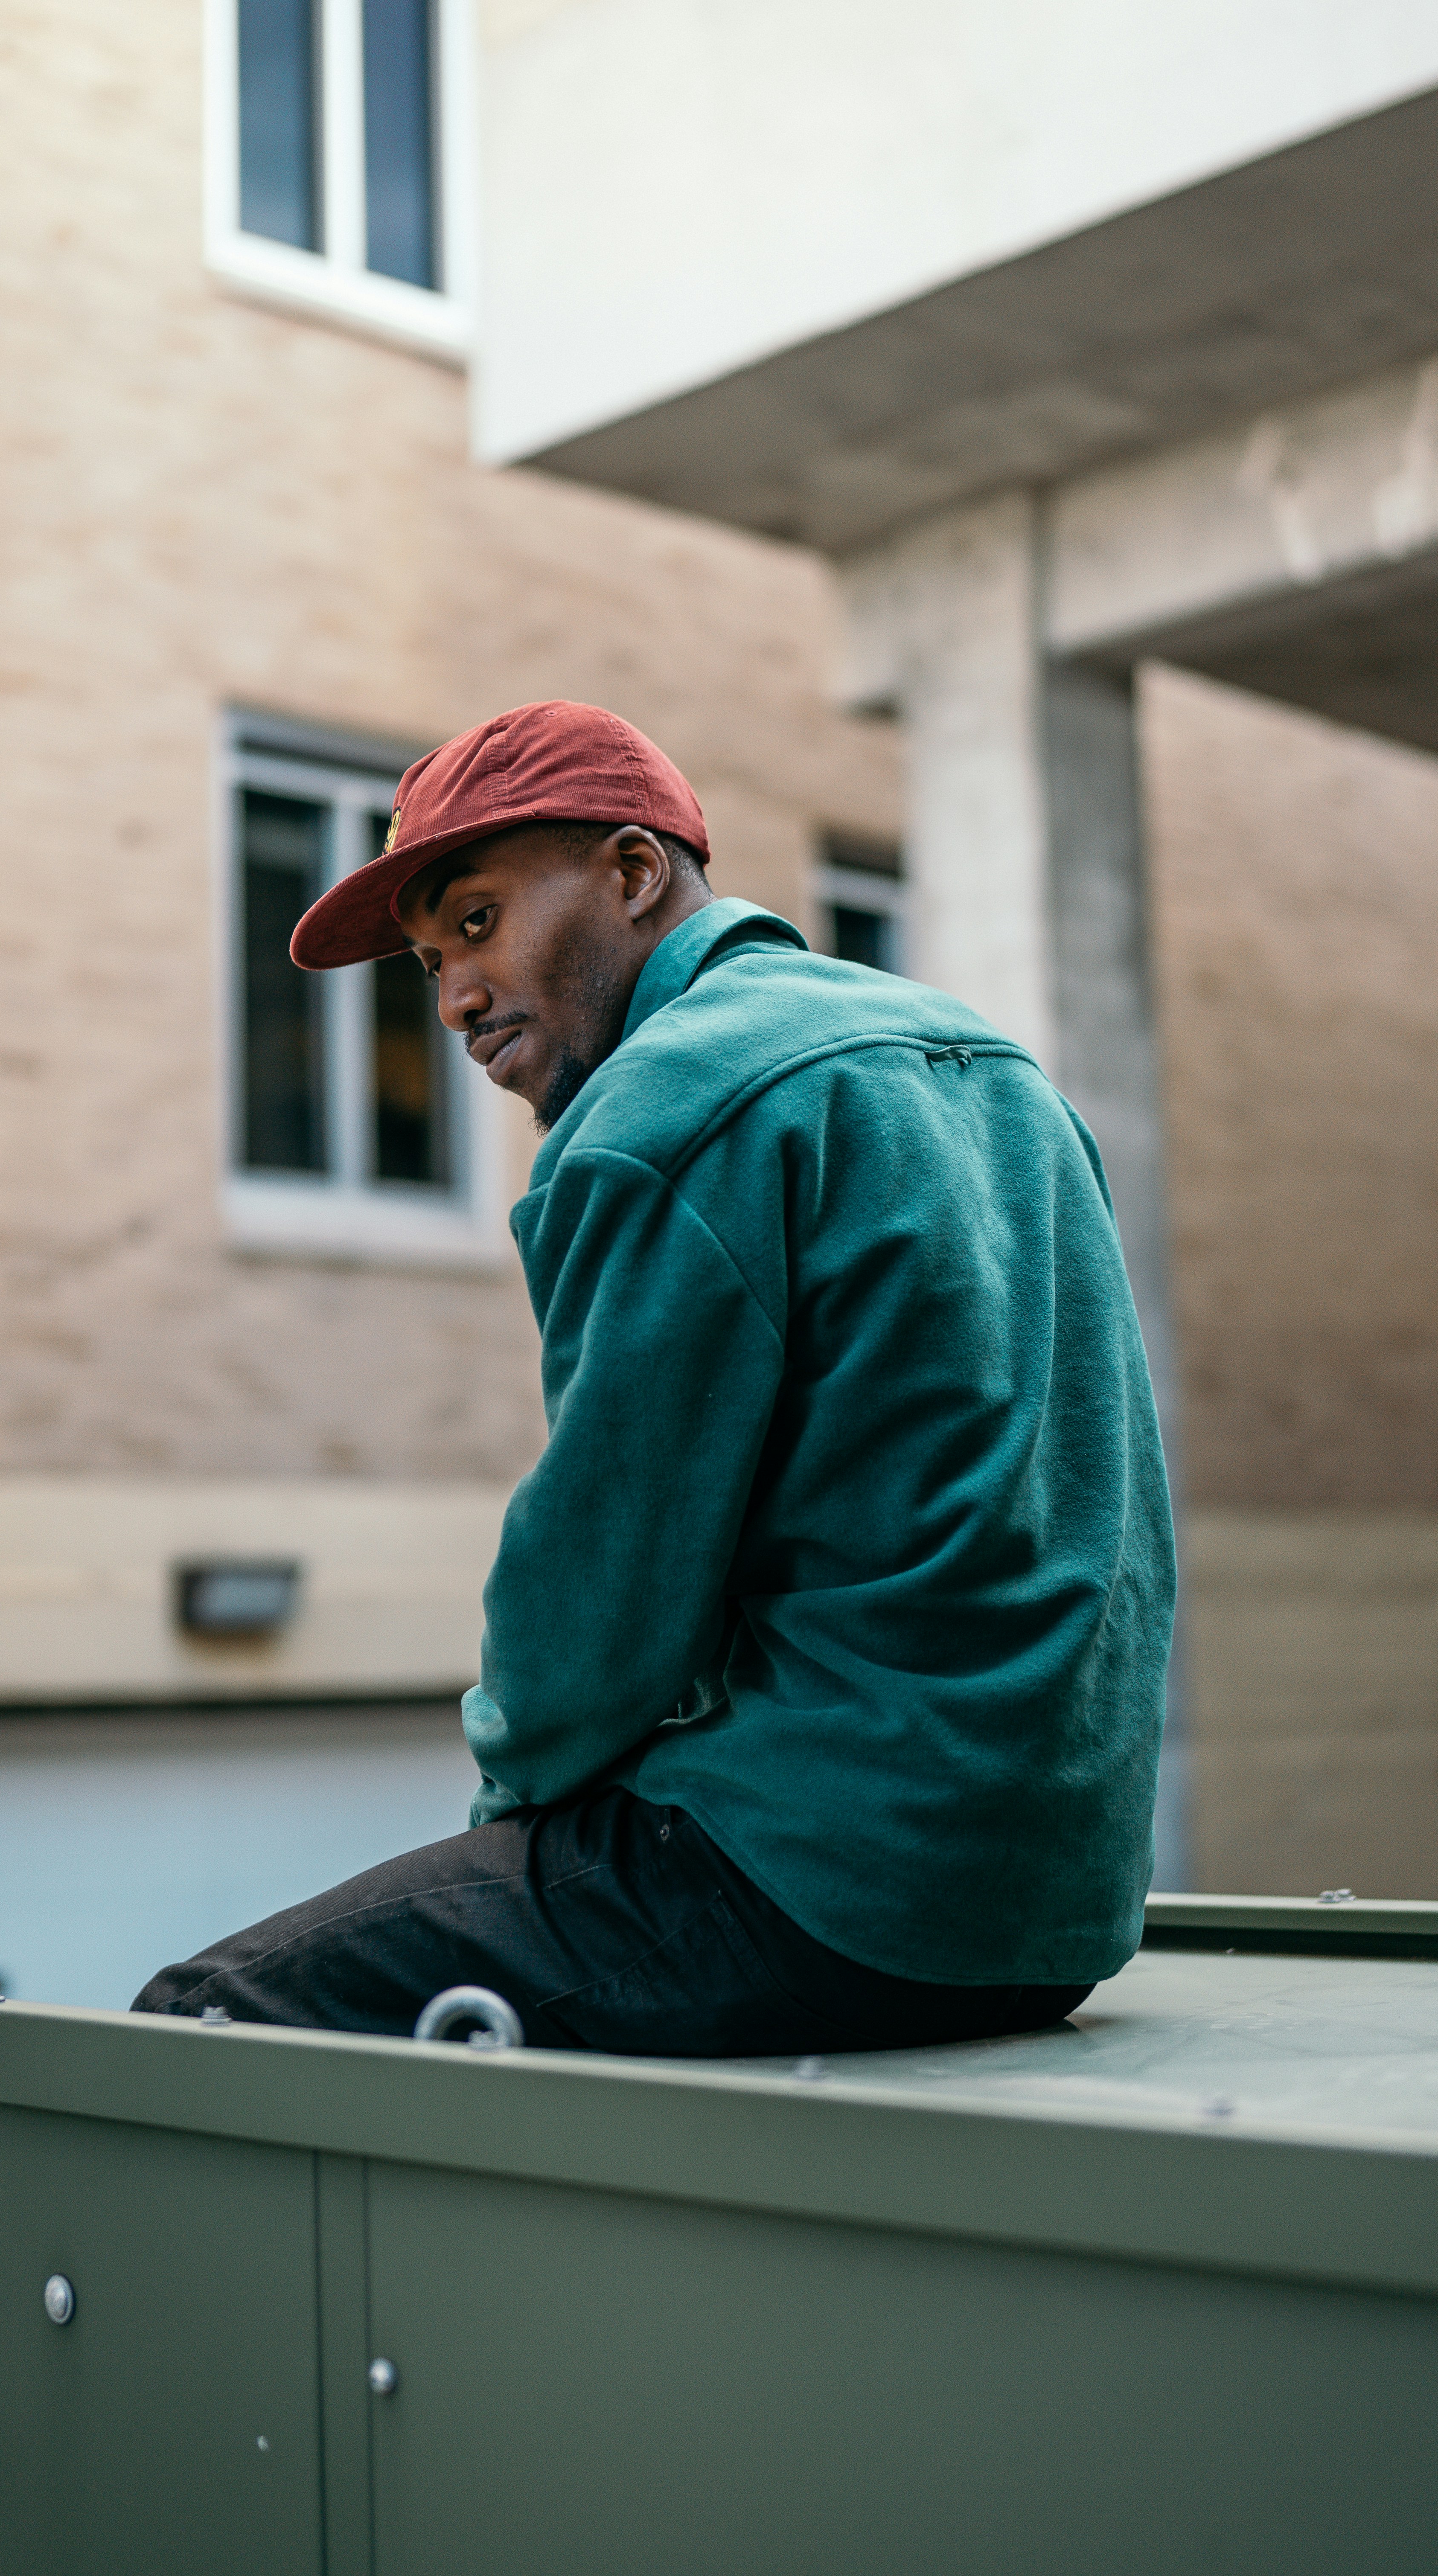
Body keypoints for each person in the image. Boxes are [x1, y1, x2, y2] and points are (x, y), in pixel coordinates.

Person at [134, 700, 1174, 2055]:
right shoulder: (1001, 1072)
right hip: (1056, 1910)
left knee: (197, 2022)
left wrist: (516, 1821)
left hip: (824, 1881)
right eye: (426, 957)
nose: (452, 994)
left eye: (477, 920)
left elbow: (603, 1591)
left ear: (632, 875)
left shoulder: (660, 1119)